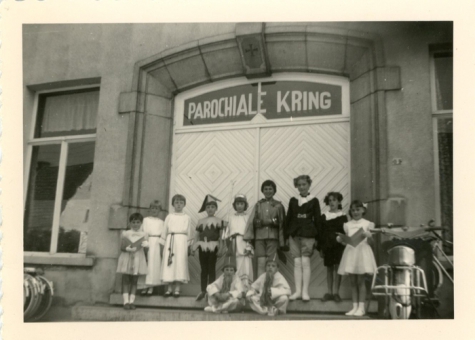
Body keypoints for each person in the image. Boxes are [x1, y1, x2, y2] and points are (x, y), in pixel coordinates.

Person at [284, 175, 322, 302]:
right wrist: (285, 235)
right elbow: (289, 218)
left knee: (305, 262)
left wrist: (318, 238)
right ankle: (298, 291)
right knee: (297, 262)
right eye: (299, 185)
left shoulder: (314, 200)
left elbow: (317, 219)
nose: (301, 187)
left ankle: (305, 292)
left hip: (308, 235)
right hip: (294, 235)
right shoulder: (293, 200)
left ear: (309, 185)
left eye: (304, 184)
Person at [337, 199, 377, 316]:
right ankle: (354, 307)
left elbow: (372, 243)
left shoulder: (367, 224)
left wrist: (369, 236)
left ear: (363, 210)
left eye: (358, 209)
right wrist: (341, 240)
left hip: (362, 253)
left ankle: (361, 307)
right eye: (353, 210)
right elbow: (347, 242)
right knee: (352, 282)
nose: (355, 212)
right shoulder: (347, 225)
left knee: (360, 281)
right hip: (351, 254)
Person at [244, 180, 285, 277]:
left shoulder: (278, 205)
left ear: (274, 191)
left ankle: (270, 285)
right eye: (265, 189)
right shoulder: (258, 205)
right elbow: (251, 221)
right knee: (261, 261)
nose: (268, 191)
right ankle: (260, 285)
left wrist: (282, 241)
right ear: (262, 191)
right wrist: (249, 237)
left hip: (273, 236)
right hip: (259, 236)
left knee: (271, 261)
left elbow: (282, 222)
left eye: (270, 189)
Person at [160, 194, 193, 297]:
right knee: (169, 264)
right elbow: (164, 231)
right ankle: (169, 289)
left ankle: (177, 289)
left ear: (184, 205)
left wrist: (189, 246)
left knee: (180, 263)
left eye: (181, 203)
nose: (179, 205)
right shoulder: (169, 217)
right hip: (171, 241)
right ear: (173, 204)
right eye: (176, 202)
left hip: (182, 242)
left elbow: (189, 233)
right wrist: (163, 245)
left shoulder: (187, 217)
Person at [193, 194, 224, 301]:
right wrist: (194, 246)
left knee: (211, 269)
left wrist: (221, 248)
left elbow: (221, 236)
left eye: (212, 207)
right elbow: (197, 235)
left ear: (216, 209)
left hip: (213, 246)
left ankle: (211, 290)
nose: (210, 209)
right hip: (203, 247)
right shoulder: (200, 222)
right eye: (208, 207)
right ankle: (203, 290)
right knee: (203, 269)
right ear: (205, 209)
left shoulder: (220, 221)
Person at [319, 192, 348, 303]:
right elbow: (321, 234)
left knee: (338, 268)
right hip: (328, 245)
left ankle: (336, 292)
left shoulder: (343, 216)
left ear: (339, 202)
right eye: (330, 200)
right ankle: (329, 292)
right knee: (329, 268)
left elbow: (345, 231)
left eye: (334, 200)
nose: (332, 202)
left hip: (339, 246)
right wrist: (321, 248)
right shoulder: (324, 216)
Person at [116, 213, 149, 310]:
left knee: (135, 281)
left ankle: (131, 301)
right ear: (130, 223)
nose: (135, 224)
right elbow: (121, 247)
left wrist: (147, 245)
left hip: (138, 258)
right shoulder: (125, 233)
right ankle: (125, 301)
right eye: (133, 222)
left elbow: (146, 250)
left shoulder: (144, 234)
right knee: (126, 279)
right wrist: (127, 249)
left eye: (138, 222)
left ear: (141, 223)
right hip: (127, 257)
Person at [223, 194, 254, 290]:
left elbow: (250, 232)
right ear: (234, 205)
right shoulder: (230, 217)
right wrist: (226, 231)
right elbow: (226, 233)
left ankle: (245, 287)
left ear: (245, 205)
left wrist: (249, 245)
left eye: (241, 204)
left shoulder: (248, 218)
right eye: (237, 204)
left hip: (244, 242)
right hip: (233, 242)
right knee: (234, 262)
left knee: (244, 262)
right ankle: (233, 287)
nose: (239, 206)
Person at [139, 200, 165, 296]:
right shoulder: (145, 220)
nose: (154, 210)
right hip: (148, 242)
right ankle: (144, 286)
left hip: (157, 244)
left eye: (157, 208)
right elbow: (142, 232)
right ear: (149, 209)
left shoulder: (161, 222)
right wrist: (144, 244)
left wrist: (162, 247)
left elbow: (163, 235)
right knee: (147, 264)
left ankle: (151, 287)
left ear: (160, 211)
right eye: (153, 208)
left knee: (154, 265)